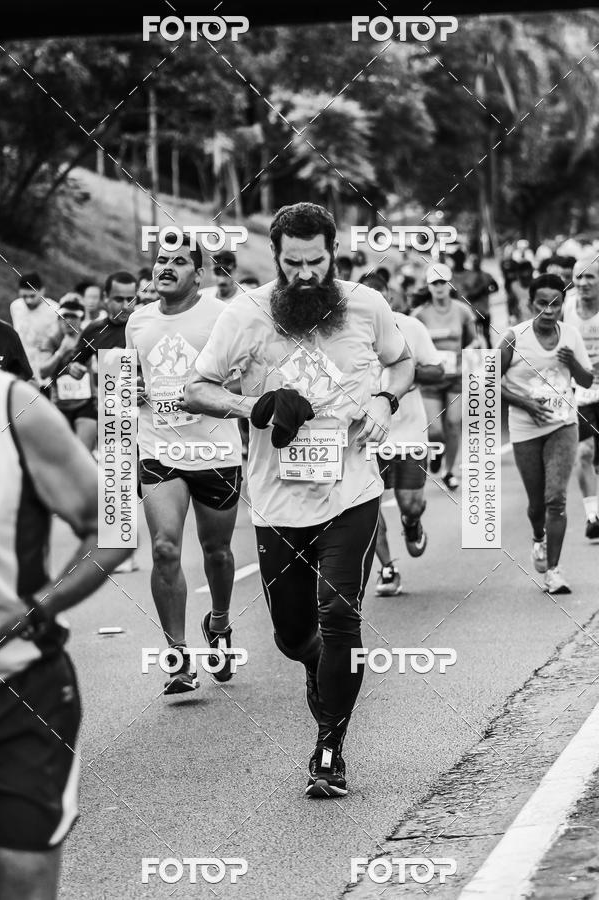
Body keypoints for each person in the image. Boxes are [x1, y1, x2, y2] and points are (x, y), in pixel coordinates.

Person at [181, 202, 414, 797]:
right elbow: (194, 388)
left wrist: (386, 401)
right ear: (276, 258)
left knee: (339, 618)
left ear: (332, 252)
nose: (305, 274)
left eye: (316, 261)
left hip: (352, 492)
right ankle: (318, 667)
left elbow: (402, 361)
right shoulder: (247, 313)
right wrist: (251, 406)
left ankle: (329, 749)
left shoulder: (366, 305)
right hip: (276, 502)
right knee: (292, 636)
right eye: (293, 263)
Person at [0, 370, 130, 900]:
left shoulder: (13, 406)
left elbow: (115, 525)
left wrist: (38, 608)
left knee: (20, 874)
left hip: (17, 688)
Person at [126, 235, 243, 694]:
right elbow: (133, 376)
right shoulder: (138, 321)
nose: (166, 267)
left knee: (217, 552)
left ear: (199, 272)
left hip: (215, 451)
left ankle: (218, 623)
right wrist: (133, 391)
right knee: (164, 549)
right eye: (160, 260)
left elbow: (244, 372)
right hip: (160, 450)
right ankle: (178, 657)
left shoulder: (221, 316)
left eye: (179, 261)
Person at [500, 274, 593, 594]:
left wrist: (572, 363)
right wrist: (522, 402)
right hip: (526, 431)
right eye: (543, 303)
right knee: (537, 504)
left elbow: (586, 381)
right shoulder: (514, 337)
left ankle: (553, 570)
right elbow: (484, 381)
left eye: (556, 302)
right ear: (531, 303)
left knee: (556, 499)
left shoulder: (570, 335)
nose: (549, 309)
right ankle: (538, 537)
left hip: (563, 425)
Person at [360, 274, 444, 597]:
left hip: (408, 430)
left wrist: (405, 372)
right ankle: (387, 567)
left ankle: (412, 523)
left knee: (410, 502)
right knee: (368, 506)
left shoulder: (411, 327)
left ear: (389, 298)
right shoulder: (344, 331)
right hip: (365, 433)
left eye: (380, 297)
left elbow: (436, 371)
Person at [68, 271, 140, 572]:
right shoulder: (95, 330)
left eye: (131, 298)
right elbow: (76, 362)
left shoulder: (147, 324)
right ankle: (123, 550)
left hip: (154, 417)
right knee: (117, 480)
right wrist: (74, 369)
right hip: (115, 414)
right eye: (119, 299)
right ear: (106, 299)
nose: (126, 305)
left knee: (145, 484)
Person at [414, 263, 478, 490]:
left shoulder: (462, 311)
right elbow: (413, 344)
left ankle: (450, 471)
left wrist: (461, 358)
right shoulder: (420, 314)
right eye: (434, 283)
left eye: (443, 282)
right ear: (428, 286)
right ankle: (436, 454)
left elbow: (472, 339)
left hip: (455, 377)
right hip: (430, 379)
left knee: (453, 423)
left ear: (450, 284)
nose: (439, 287)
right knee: (435, 429)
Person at [563, 258, 599, 539]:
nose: (584, 283)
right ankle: (593, 516)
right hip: (581, 389)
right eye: (579, 277)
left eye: (590, 277)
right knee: (584, 452)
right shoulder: (567, 307)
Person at [40, 296, 97, 453]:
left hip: (87, 404)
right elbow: (43, 372)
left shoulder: (89, 338)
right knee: (61, 454)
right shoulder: (51, 340)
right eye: (64, 317)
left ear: (81, 319)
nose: (68, 322)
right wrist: (60, 353)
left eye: (73, 317)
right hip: (59, 405)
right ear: (58, 320)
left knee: (83, 453)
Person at [9, 272, 58, 391]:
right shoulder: (16, 306)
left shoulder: (55, 310)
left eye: (32, 296)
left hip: (43, 374)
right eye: (24, 296)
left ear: (42, 291)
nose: (28, 301)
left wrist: (50, 342)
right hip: (20, 370)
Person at [459, 254, 499, 348]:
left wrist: (488, 291)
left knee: (487, 336)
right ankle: (478, 361)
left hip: (485, 311)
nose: (476, 263)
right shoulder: (468, 276)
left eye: (477, 261)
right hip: (473, 313)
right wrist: (482, 291)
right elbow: (468, 295)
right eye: (474, 261)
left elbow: (495, 287)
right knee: (474, 338)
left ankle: (491, 361)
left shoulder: (486, 275)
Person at [507, 260, 534, 324]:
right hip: (520, 320)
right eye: (522, 270)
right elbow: (510, 303)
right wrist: (511, 315)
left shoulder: (537, 284)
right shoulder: (514, 285)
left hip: (534, 319)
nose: (525, 273)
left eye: (527, 270)